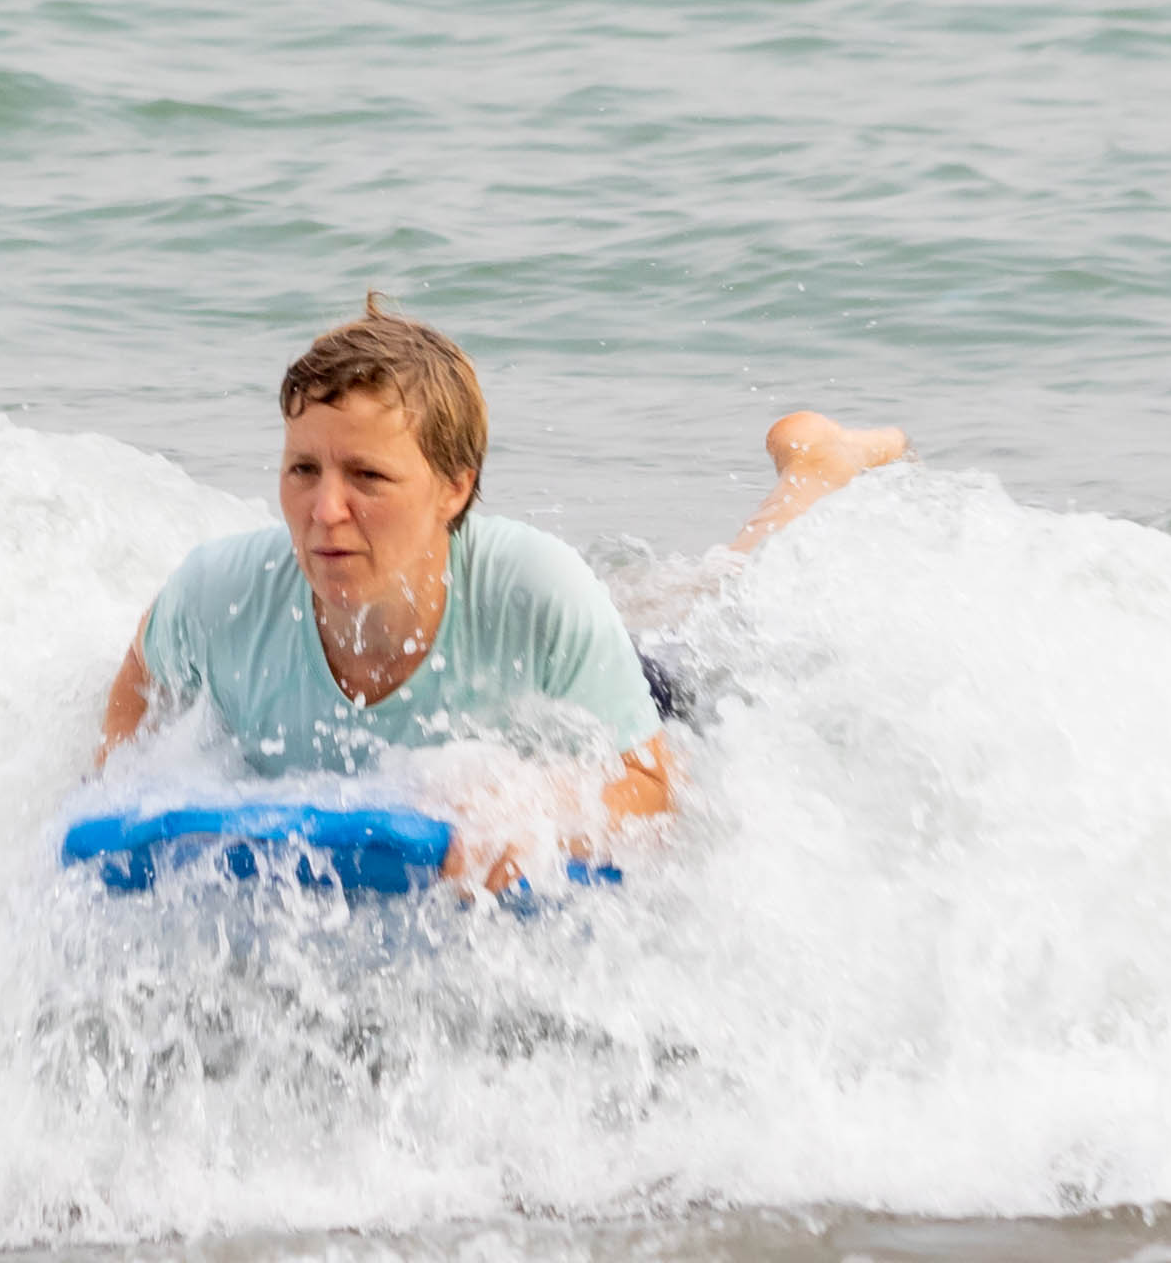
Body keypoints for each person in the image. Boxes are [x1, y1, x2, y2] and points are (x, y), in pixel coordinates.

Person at [92, 298, 906, 894]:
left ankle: (816, 468)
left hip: (619, 689)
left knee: (710, 614)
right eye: (303, 468)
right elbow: (139, 683)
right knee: (647, 600)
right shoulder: (218, 593)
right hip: (524, 636)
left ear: (454, 487)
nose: (324, 508)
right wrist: (124, 782)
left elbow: (655, 791)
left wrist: (539, 806)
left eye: (366, 475)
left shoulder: (538, 586)